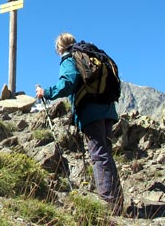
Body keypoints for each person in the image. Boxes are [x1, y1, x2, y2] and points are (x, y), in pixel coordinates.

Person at [35, 32, 124, 215]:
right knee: (105, 153)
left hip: (91, 111)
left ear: (59, 47)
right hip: (107, 109)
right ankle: (117, 202)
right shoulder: (90, 55)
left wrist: (46, 92)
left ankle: (108, 203)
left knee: (99, 154)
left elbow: (68, 82)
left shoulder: (69, 58)